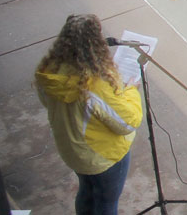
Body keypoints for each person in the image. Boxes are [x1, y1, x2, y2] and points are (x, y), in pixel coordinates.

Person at [36, 14, 144, 215]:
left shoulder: (49, 70)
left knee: (86, 191)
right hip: (102, 156)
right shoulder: (95, 86)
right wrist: (130, 90)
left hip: (72, 150)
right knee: (106, 202)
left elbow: (47, 102)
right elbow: (128, 122)